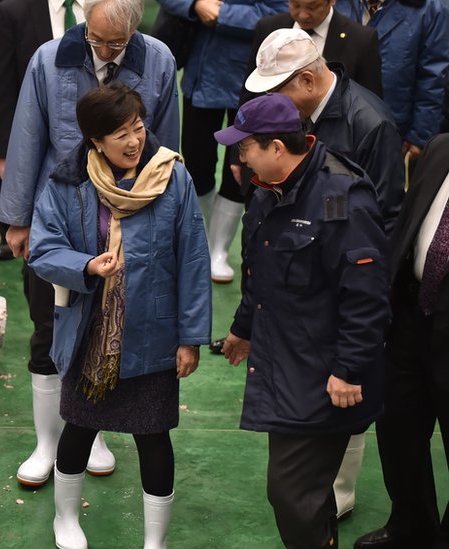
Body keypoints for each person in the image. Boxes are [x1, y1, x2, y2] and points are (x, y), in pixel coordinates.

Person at [0, 0, 180, 488]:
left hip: (126, 222)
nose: (102, 50)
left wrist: (166, 222)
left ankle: (91, 431)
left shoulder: (159, 59)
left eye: (115, 44)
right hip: (57, 217)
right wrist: (17, 221)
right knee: (48, 326)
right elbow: (27, 137)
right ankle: (45, 442)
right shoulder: (50, 57)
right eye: (95, 39)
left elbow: (167, 151)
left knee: (108, 327)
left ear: (133, 35)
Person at [29, 81, 210, 549]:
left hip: (153, 334)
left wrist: (191, 337)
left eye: (138, 128)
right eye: (120, 135)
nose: (134, 141)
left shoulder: (173, 177)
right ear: (95, 141)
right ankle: (65, 520)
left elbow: (192, 259)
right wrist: (86, 265)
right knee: (80, 428)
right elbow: (43, 247)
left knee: (154, 437)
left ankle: (156, 540)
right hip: (92, 331)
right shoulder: (69, 181)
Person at [235, 27, 403, 522]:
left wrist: (352, 360)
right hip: (295, 323)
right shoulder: (275, 174)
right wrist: (247, 324)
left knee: (314, 470)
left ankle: (335, 500)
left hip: (333, 321)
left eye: (278, 90)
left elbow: (379, 237)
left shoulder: (369, 126)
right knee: (296, 484)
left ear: (306, 81)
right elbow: (265, 253)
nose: (274, 101)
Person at [216, 93, 389, 549]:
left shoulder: (340, 198)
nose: (239, 157)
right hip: (286, 359)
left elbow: (367, 296)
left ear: (277, 147)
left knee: (290, 492)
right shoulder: (268, 190)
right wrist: (243, 327)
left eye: (245, 147)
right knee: (306, 491)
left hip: (324, 372)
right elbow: (260, 268)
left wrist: (348, 369)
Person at [353, 133, 449, 549]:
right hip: (413, 315)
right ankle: (410, 525)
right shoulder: (441, 149)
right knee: (398, 431)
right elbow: (408, 223)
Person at [156, 0, 287, 284]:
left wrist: (221, 14)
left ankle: (220, 249)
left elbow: (279, 13)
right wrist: (195, 5)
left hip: (251, 74)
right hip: (198, 71)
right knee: (196, 158)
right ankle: (204, 235)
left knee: (241, 165)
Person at [0, 0, 84, 260]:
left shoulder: (103, 7)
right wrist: (4, 153)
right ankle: (10, 234)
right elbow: (4, 86)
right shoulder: (16, 10)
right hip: (33, 132)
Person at [333, 0, 449, 158]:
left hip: (393, 126)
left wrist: (419, 137)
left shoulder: (432, 9)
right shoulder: (338, 3)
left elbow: (432, 79)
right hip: (337, 121)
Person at [244, 0, 383, 100]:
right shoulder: (268, 27)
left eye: (313, 7)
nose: (303, 15)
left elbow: (371, 100)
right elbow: (250, 92)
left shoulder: (361, 39)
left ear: (332, 1)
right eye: (296, 5)